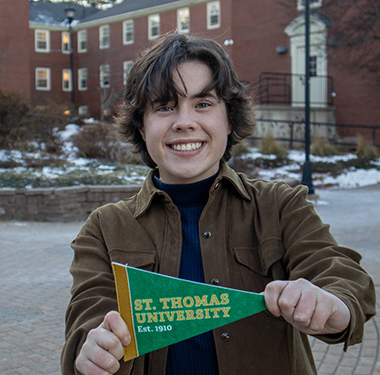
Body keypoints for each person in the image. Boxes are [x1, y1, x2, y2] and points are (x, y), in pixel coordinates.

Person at [61, 32, 376, 375]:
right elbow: (85, 320)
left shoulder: (280, 206)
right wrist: (91, 349)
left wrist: (332, 306)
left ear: (229, 119)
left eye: (203, 104)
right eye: (164, 107)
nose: (184, 122)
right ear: (141, 127)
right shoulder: (104, 229)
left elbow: (342, 277)